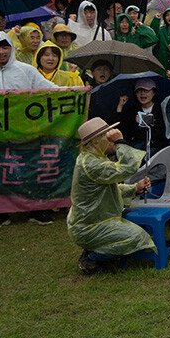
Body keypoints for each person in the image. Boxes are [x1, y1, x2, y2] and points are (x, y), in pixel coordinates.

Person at [66, 118, 155, 275]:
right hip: (89, 226)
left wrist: (135, 188)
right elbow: (127, 168)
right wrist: (120, 140)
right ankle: (91, 259)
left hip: (90, 222)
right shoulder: (92, 164)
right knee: (137, 237)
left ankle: (94, 250)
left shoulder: (93, 159)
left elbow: (110, 190)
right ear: (95, 142)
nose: (113, 143)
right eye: (109, 139)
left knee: (135, 229)